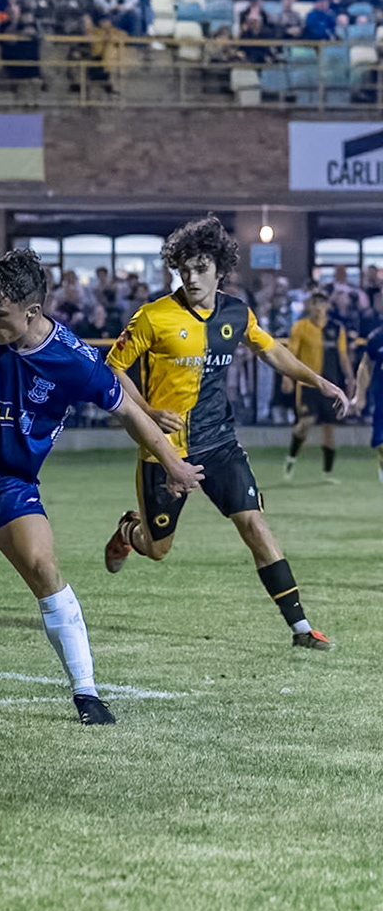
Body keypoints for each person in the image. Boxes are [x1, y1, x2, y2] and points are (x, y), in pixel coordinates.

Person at [0, 250, 204, 728]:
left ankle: (87, 694)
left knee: (44, 568)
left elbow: (128, 410)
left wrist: (172, 463)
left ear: (32, 313)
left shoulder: (73, 360)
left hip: (7, 479)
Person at [102, 217, 343, 652]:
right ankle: (128, 531)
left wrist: (320, 382)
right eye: (184, 269)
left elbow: (272, 351)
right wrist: (149, 412)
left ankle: (301, 627)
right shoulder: (153, 317)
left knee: (255, 524)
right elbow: (113, 368)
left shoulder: (236, 312)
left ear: (219, 269)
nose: (191, 277)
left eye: (200, 268)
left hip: (220, 443)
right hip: (164, 450)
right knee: (157, 551)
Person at [283, 290, 355, 481]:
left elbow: (343, 357)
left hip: (331, 386)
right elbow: (291, 355)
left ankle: (327, 473)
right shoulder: (300, 327)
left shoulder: (336, 328)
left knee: (329, 428)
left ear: (327, 306)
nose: (318, 308)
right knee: (306, 423)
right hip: (308, 385)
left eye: (322, 304)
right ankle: (291, 457)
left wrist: (350, 379)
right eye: (315, 304)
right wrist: (287, 377)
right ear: (310, 306)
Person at [354, 318, 383, 486]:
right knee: (380, 444)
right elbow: (365, 365)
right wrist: (360, 395)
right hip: (382, 401)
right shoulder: (377, 336)